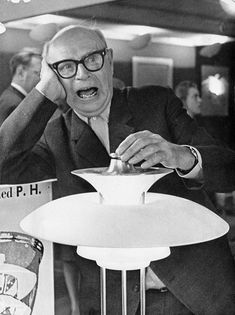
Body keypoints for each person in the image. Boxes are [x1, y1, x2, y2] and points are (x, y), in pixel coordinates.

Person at [0, 25, 235, 314]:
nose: (83, 74)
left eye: (92, 59)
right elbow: (3, 165)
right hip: (117, 300)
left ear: (109, 60)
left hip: (196, 291)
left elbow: (228, 168)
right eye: (66, 67)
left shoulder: (155, 103)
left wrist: (179, 155)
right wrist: (43, 92)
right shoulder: (54, 135)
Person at [0, 48, 42, 126]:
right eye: (38, 74)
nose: (41, 80)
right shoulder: (14, 105)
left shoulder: (10, 98)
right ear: (21, 72)